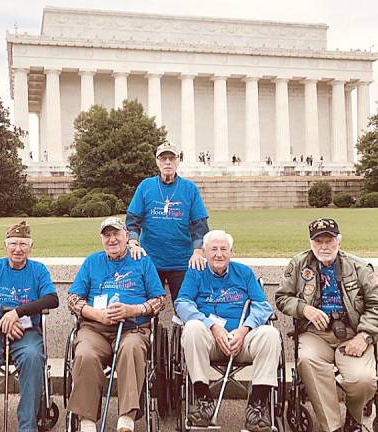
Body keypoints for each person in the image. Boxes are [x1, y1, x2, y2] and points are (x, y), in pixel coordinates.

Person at [276, 218, 378, 432]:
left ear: (338, 241)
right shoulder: (298, 264)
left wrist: (365, 335)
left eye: (329, 241)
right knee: (307, 361)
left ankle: (354, 415)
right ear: (311, 243)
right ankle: (332, 427)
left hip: (353, 334)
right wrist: (305, 309)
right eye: (318, 241)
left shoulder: (359, 267)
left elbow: (375, 304)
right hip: (315, 334)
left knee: (363, 380)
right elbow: (282, 298)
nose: (324, 247)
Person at [175, 229, 281, 432]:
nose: (219, 254)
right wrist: (212, 326)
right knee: (193, 328)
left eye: (224, 249)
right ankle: (204, 401)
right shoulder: (196, 273)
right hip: (211, 341)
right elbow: (183, 303)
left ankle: (256, 408)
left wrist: (244, 330)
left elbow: (263, 306)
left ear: (231, 252)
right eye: (213, 249)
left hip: (243, 339)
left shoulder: (244, 272)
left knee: (270, 334)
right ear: (204, 252)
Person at [67, 217, 166, 432]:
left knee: (131, 349)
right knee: (84, 353)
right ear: (102, 239)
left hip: (133, 328)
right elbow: (73, 299)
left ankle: (126, 419)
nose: (112, 239)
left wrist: (135, 310)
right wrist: (96, 314)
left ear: (127, 237)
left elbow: (160, 300)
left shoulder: (143, 261)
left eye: (116, 234)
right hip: (96, 328)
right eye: (107, 235)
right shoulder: (92, 262)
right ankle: (87, 421)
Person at [0, 221, 59, 432]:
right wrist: (3, 322)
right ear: (5, 245)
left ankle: (27, 426)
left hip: (25, 331)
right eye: (13, 243)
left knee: (33, 357)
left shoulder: (38, 270)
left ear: (31, 245)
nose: (18, 249)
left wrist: (17, 312)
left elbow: (52, 299)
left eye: (23, 244)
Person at [126, 142, 209, 301]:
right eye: (163, 158)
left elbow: (199, 224)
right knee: (148, 308)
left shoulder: (189, 188)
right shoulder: (146, 186)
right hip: (150, 261)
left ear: (178, 160)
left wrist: (198, 251)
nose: (168, 162)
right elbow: (133, 220)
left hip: (182, 262)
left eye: (172, 158)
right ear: (157, 161)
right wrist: (133, 242)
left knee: (184, 307)